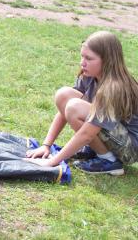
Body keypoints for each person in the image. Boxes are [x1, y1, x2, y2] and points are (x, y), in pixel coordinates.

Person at [26, 31, 138, 175]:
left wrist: (52, 162)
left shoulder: (114, 87)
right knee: (64, 95)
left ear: (107, 60)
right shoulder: (89, 75)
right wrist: (46, 146)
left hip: (130, 149)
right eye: (82, 56)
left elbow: (86, 133)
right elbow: (63, 112)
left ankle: (109, 161)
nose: (82, 62)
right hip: (113, 134)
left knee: (74, 107)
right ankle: (96, 150)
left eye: (89, 58)